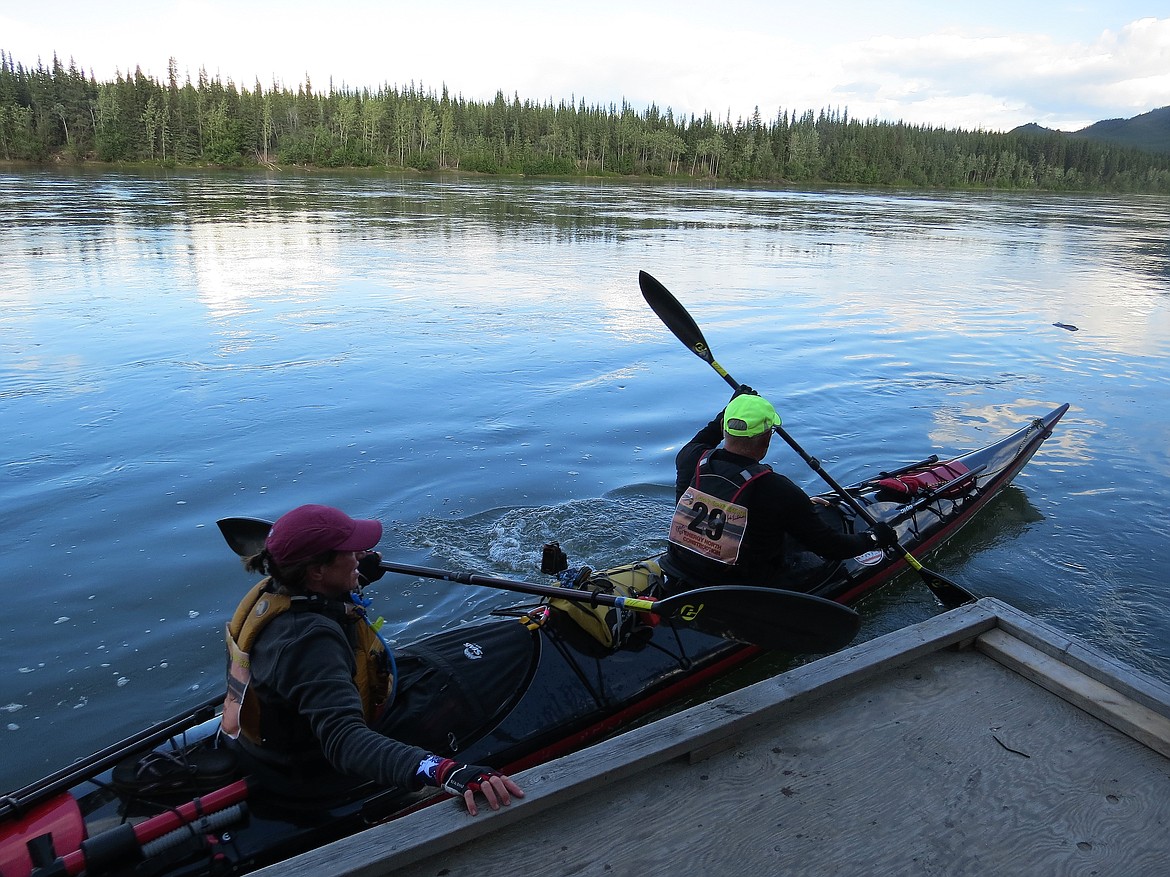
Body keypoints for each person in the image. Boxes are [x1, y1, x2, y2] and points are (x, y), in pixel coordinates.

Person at [222, 503, 524, 816]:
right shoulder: (309, 643)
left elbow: (311, 604)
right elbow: (344, 740)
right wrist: (445, 772)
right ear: (316, 571)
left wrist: (354, 577)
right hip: (313, 769)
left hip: (277, 744)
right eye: (349, 552)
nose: (360, 554)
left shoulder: (276, 590)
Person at [659, 389, 898, 591]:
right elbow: (831, 547)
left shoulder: (690, 458)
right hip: (739, 585)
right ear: (765, 439)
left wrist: (734, 406)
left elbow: (707, 435)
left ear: (724, 429)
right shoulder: (778, 490)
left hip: (682, 566)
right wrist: (874, 538)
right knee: (814, 549)